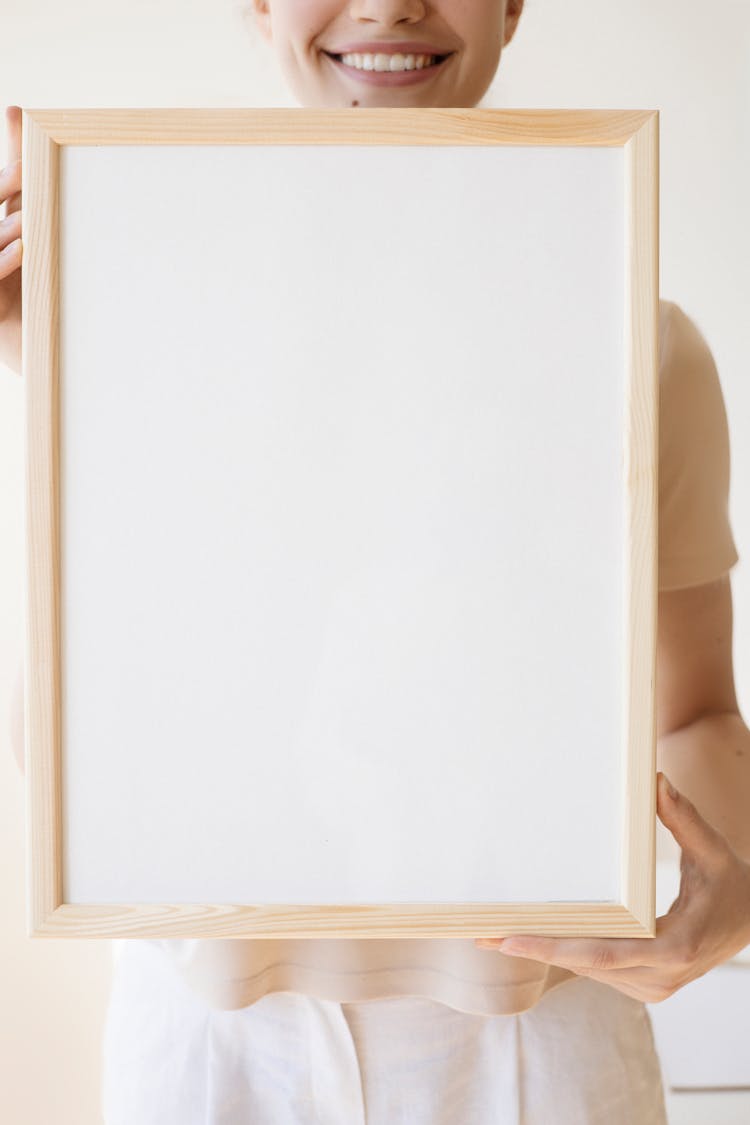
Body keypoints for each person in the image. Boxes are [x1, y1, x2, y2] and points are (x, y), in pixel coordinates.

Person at [3, 2, 750, 1121]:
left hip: (538, 1031)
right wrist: (64, 349)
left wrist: (733, 888)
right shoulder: (119, 305)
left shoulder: (639, 343)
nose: (391, 2)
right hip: (210, 1039)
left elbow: (693, 713)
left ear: (512, 4)